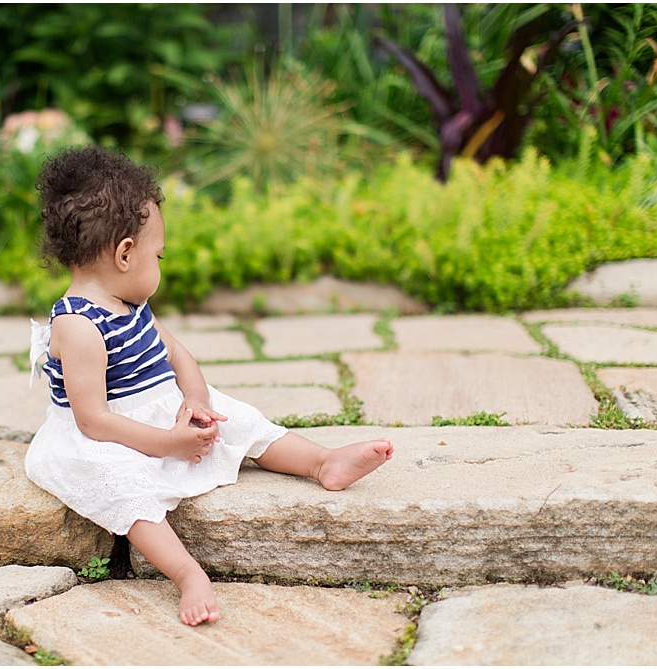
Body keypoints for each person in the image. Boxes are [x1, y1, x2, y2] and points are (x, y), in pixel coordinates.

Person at [26, 145, 394, 626]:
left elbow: (178, 354)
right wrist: (168, 444)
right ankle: (186, 573)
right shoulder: (78, 325)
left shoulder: (129, 304)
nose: (160, 263)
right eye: (158, 254)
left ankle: (322, 461)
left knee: (239, 418)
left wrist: (196, 399)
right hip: (108, 434)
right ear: (125, 254)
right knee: (121, 485)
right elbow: (93, 421)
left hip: (159, 413)